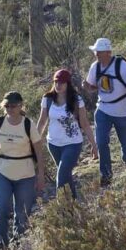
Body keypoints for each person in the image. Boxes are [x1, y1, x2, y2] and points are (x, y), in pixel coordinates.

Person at [0, 91, 45, 250]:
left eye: (13, 105)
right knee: (1, 209)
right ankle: (1, 247)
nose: (10, 109)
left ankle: (17, 245)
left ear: (21, 106)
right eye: (7, 106)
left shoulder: (28, 124)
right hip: (3, 172)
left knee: (22, 212)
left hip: (25, 174)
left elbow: (39, 151)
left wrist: (41, 175)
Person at [83, 37, 126, 187]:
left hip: (123, 111)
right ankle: (106, 175)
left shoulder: (121, 65)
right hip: (103, 109)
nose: (97, 54)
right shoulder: (95, 67)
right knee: (101, 141)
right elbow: (92, 87)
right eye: (96, 51)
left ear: (108, 52)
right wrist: (86, 86)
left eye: (100, 51)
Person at [37, 68, 96, 201]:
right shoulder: (47, 99)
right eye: (56, 82)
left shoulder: (76, 100)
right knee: (66, 175)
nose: (58, 85)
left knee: (62, 176)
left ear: (68, 84)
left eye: (62, 82)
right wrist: (34, 141)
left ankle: (62, 210)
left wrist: (94, 144)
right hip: (53, 144)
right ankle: (73, 206)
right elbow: (42, 122)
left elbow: (85, 124)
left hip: (73, 144)